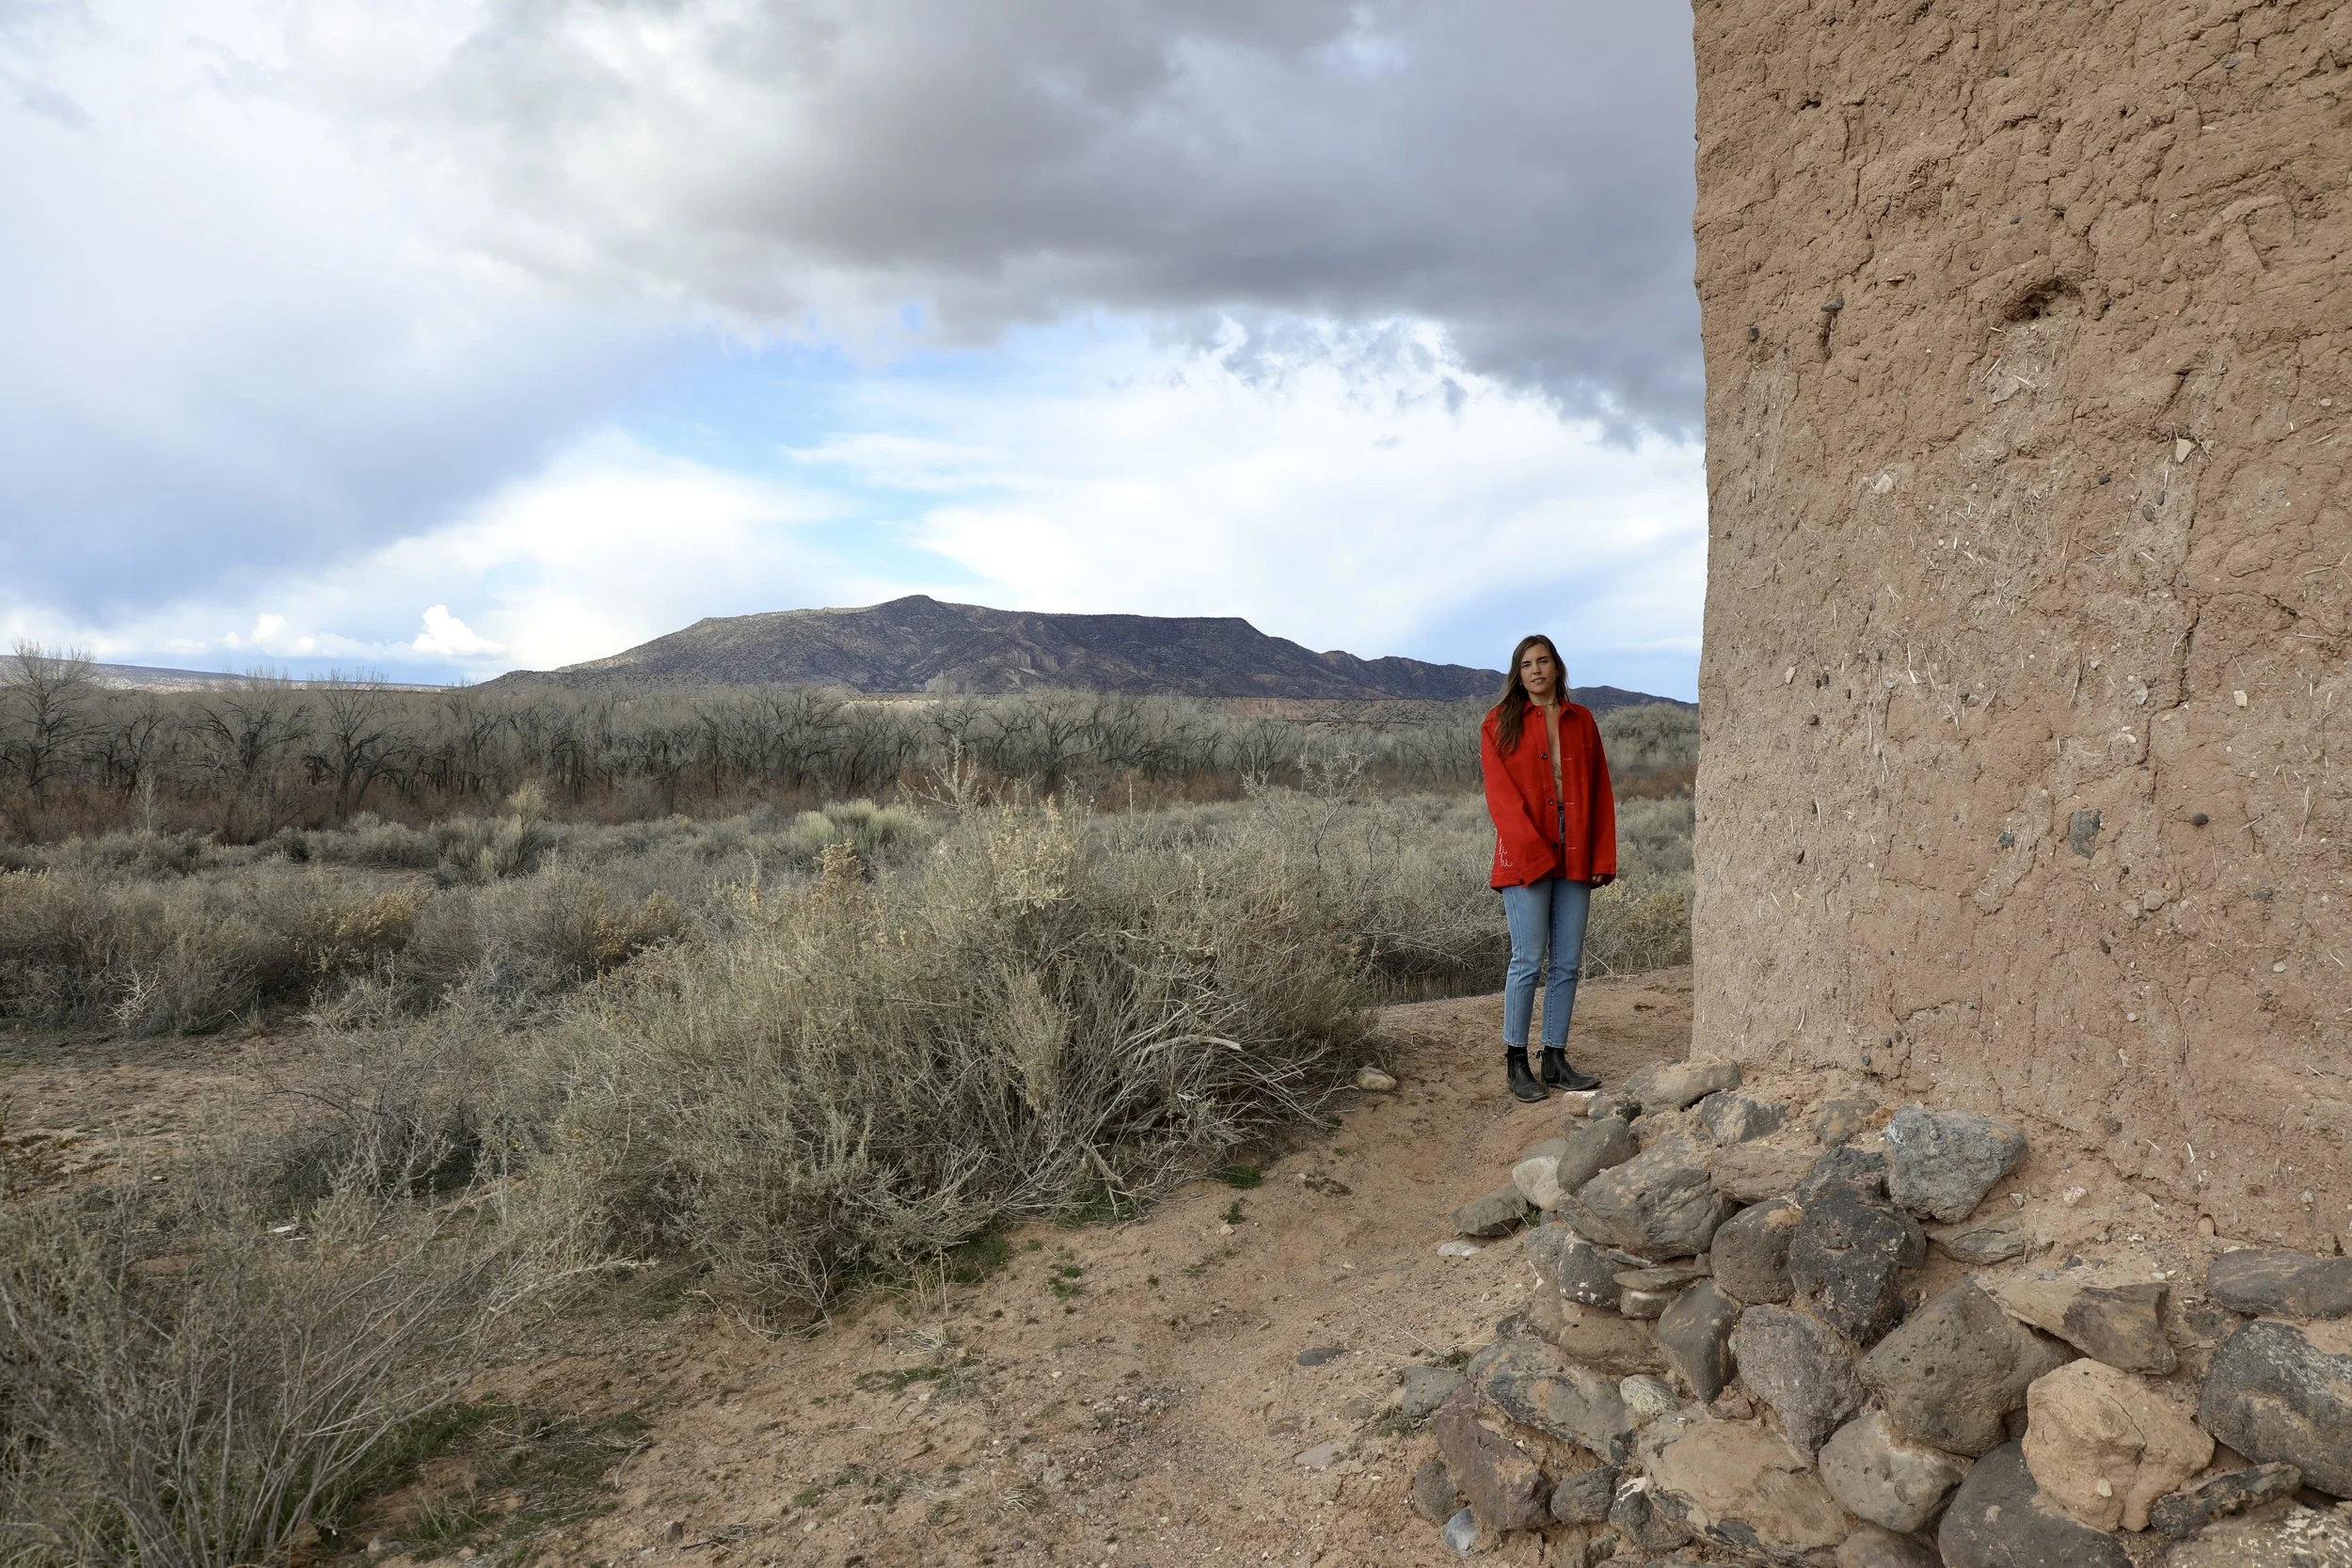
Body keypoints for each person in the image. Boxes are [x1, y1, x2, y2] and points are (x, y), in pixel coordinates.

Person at [1479, 634, 1617, 1102]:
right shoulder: (1499, 724)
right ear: (1518, 674)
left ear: (1557, 667)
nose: (1535, 670)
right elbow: (1501, 798)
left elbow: (1600, 790)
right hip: (1526, 847)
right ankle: (1516, 1061)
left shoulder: (1582, 721)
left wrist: (1600, 857)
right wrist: (1533, 855)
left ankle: (1555, 1058)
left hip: (1577, 842)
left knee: (1567, 961)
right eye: (1525, 664)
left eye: (1543, 661)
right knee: (1527, 959)